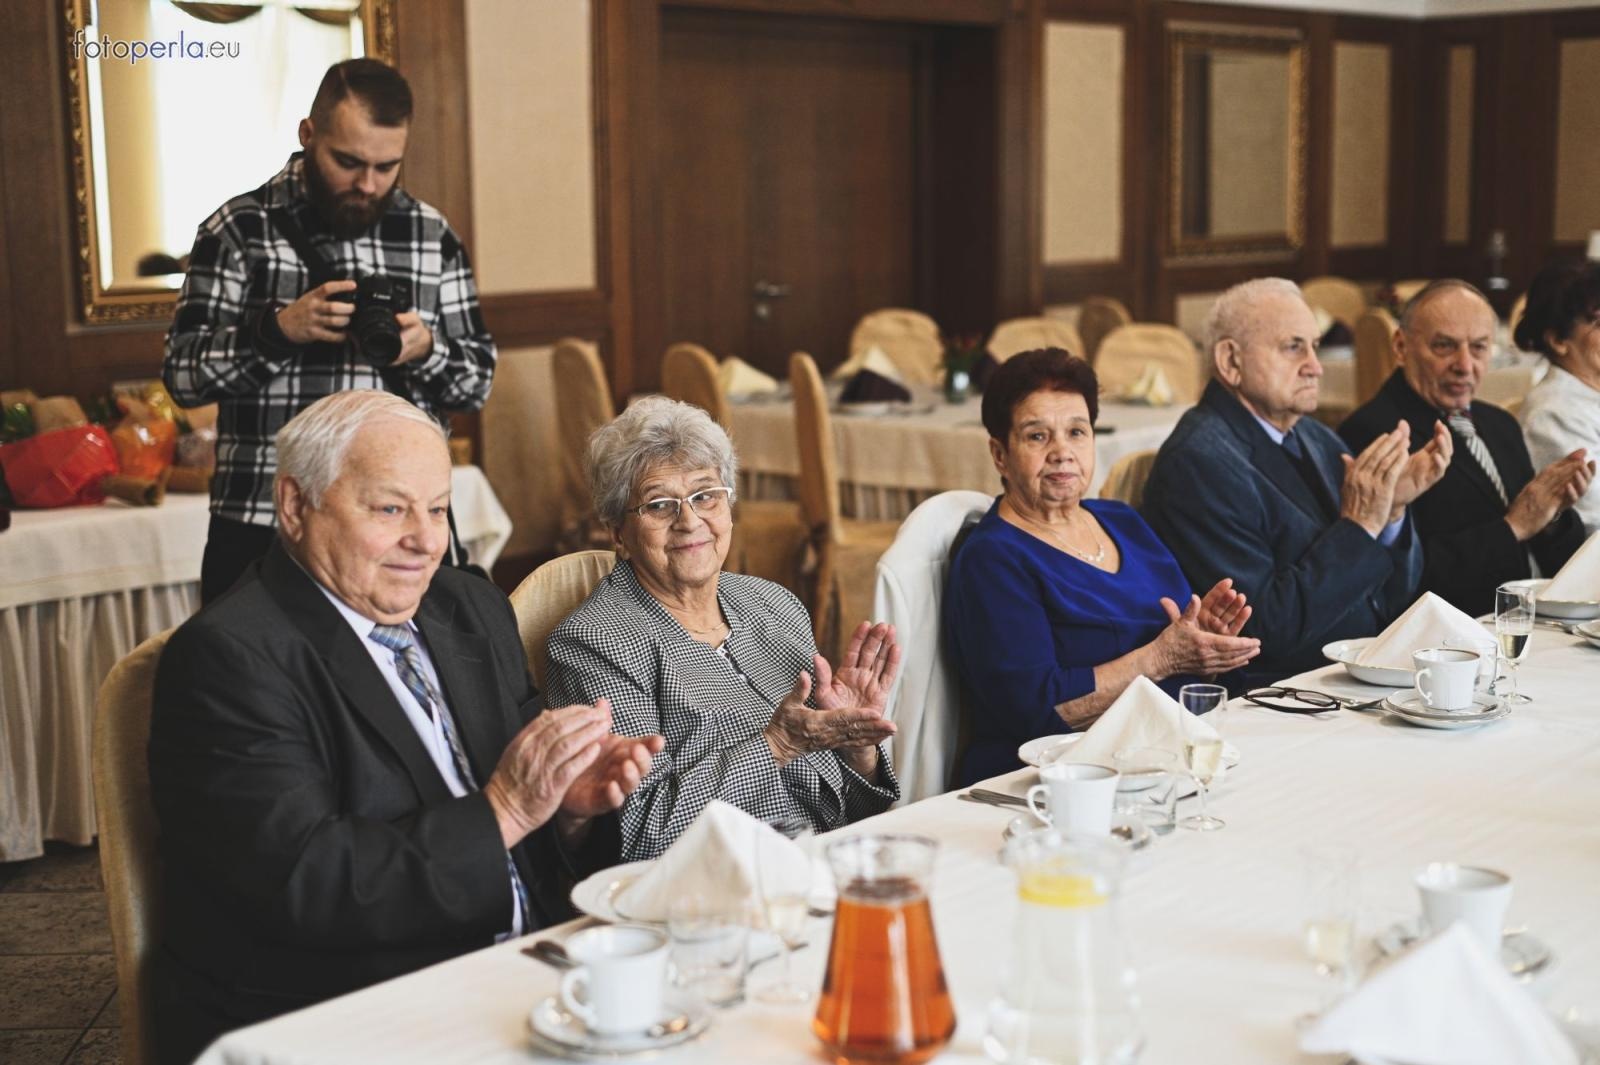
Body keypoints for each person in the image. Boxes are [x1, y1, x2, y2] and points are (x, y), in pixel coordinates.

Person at [149, 391, 661, 1064]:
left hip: (524, 974)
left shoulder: (468, 606)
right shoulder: (228, 658)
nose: (426, 540)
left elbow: (531, 852)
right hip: (351, 1009)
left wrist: (564, 807)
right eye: (391, 509)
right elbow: (306, 883)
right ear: (296, 506)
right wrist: (505, 809)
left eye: (439, 508)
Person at [163, 58, 496, 604]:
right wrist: (278, 332)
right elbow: (182, 377)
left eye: (387, 167)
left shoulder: (430, 235)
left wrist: (425, 350)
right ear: (307, 134)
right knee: (247, 687)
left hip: (397, 526)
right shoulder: (239, 229)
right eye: (348, 161)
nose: (367, 184)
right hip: (262, 521)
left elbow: (477, 382)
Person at [544, 396, 900, 861]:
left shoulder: (773, 604)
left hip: (830, 864)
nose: (689, 520)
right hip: (712, 894)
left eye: (705, 495)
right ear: (617, 531)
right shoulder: (595, 644)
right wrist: (778, 745)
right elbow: (640, 834)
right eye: (659, 504)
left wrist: (857, 750)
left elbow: (861, 813)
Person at [943, 349, 1260, 785]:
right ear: (1000, 454)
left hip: (1170, 755)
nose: (1062, 452)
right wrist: (1162, 658)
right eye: (1037, 437)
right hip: (1058, 782)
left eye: (1077, 432)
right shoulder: (993, 559)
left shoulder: (1121, 520)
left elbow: (1176, 633)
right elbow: (1036, 709)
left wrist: (1204, 645)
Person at [1143, 278, 1445, 682]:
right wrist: (1361, 526)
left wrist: (1390, 513)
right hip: (1279, 696)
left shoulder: (1314, 436)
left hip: (1356, 674)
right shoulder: (1198, 463)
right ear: (1231, 362)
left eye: (1315, 347)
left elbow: (1389, 600)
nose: (1315, 366)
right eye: (1292, 347)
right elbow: (1264, 631)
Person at [1340, 280, 1591, 615]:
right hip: (1444, 639)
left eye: (1479, 347)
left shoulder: (1499, 423)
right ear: (1401, 347)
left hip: (1526, 623)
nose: (1465, 365)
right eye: (1444, 346)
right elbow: (1399, 574)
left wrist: (1552, 515)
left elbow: (1556, 558)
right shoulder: (1375, 433)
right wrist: (1512, 527)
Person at [1516, 261, 1600, 535]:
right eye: (1599, 323)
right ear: (1558, 340)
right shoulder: (1553, 414)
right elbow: (1592, 521)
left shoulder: (1589, 396)